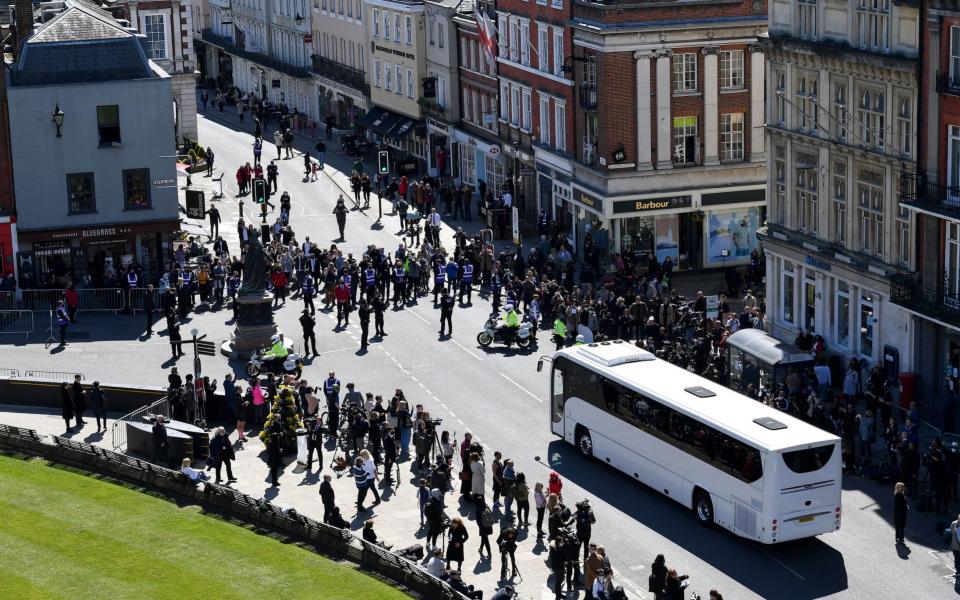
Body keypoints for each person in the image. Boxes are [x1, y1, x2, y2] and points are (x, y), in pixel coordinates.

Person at [266, 422, 284, 487]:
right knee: (274, 470)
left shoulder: (272, 435)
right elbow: (277, 446)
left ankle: (274, 481)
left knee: (274, 470)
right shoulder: (275, 437)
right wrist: (280, 450)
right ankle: (274, 482)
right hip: (274, 456)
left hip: (272, 456)